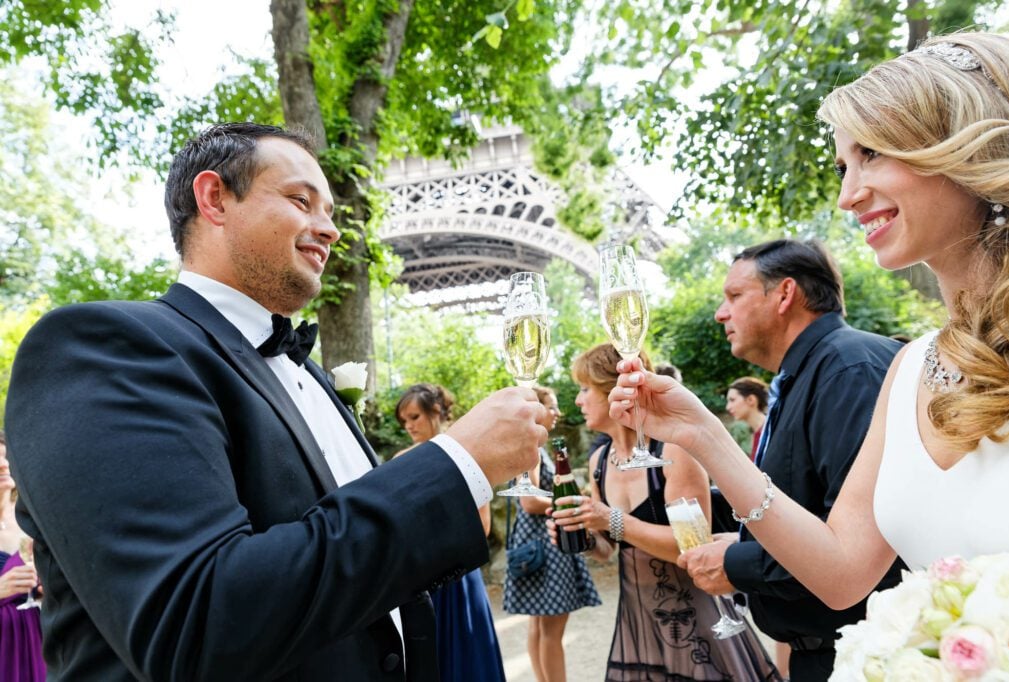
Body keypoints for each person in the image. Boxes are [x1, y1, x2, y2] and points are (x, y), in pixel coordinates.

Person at [4, 123, 547, 681]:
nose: (330, 229)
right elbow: (197, 623)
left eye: (331, 211)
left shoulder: (307, 374)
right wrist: (457, 465)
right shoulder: (101, 348)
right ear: (214, 198)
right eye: (300, 200)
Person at [608, 30, 1009, 679]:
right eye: (842, 168)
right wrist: (704, 436)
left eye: (873, 154)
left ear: (966, 141)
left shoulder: (859, 365)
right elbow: (839, 575)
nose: (847, 195)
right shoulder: (910, 369)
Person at [627, 239, 904, 681]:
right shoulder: (807, 376)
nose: (720, 313)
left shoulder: (848, 369)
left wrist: (739, 565)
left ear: (785, 294)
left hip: (864, 658)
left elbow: (871, 546)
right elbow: (806, 507)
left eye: (734, 295)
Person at [551, 344, 780, 681]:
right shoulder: (599, 462)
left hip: (695, 621)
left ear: (615, 390)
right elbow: (608, 550)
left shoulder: (672, 451)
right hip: (638, 625)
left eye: (585, 389)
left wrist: (610, 519)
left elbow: (691, 548)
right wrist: (582, 536)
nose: (578, 400)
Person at [394, 383, 506, 682]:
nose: (409, 426)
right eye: (404, 421)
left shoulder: (465, 455)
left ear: (436, 412)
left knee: (468, 657)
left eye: (414, 417)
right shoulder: (400, 460)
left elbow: (482, 526)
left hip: (458, 574)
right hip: (419, 578)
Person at [502, 386, 600, 682]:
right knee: (552, 630)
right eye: (552, 407)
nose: (558, 413)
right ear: (535, 410)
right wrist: (572, 504)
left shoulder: (535, 446)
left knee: (539, 627)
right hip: (547, 543)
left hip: (533, 542)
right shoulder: (531, 447)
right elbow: (529, 501)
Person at [0, 432, 45, 682]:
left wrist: (47, 589)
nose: (4, 464)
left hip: (37, 639)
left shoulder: (33, 523)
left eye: (6, 457)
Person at [725, 377, 768, 460]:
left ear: (751, 400)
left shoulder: (771, 433)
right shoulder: (756, 434)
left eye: (732, 400)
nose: (728, 407)